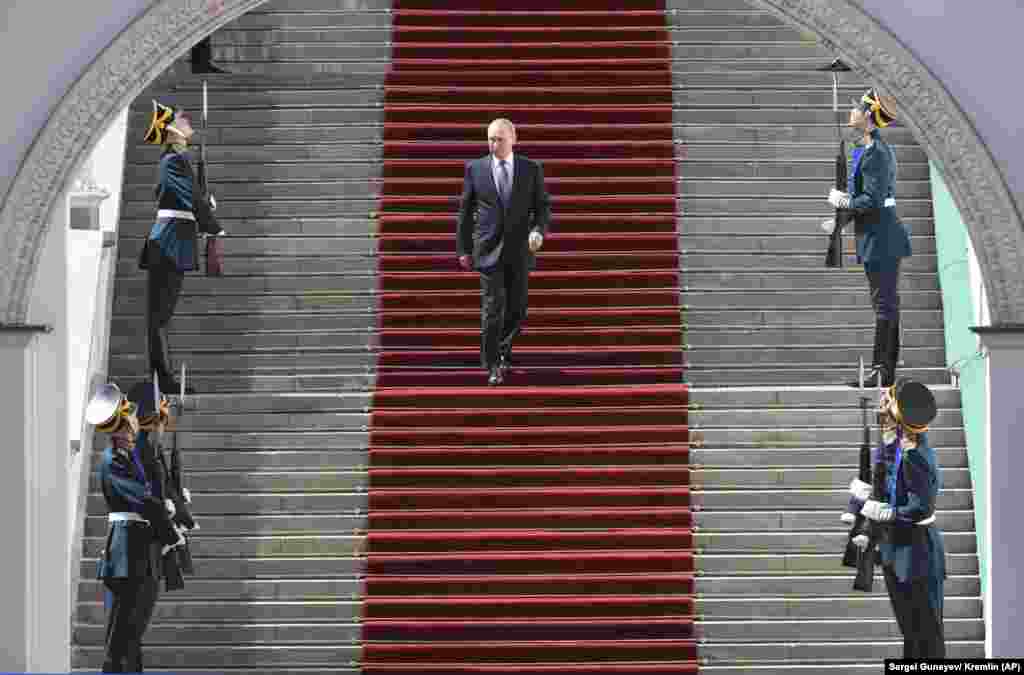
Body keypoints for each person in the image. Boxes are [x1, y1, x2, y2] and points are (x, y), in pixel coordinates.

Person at [87, 381, 183, 672]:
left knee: (133, 636)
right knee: (121, 640)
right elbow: (143, 500)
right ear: (117, 432)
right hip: (127, 555)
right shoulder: (113, 461)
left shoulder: (128, 458)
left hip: (140, 554)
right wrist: (171, 531)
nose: (133, 433)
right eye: (128, 429)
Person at [854, 378, 946, 658]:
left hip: (917, 555)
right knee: (911, 635)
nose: (883, 406)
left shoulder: (915, 456)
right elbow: (886, 489)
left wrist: (889, 513)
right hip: (897, 553)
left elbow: (922, 507)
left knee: (926, 638)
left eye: (888, 402)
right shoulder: (897, 451)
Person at [826, 88, 911, 388]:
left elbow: (872, 199)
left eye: (857, 108)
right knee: (884, 303)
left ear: (869, 119)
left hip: (883, 236)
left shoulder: (876, 152)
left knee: (885, 304)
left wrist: (845, 203)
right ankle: (884, 372)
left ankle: (881, 371)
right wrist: (839, 221)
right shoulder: (865, 149)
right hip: (874, 234)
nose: (852, 111)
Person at [456, 118, 551, 385]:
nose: (493, 144)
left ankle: (502, 350)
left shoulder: (531, 169)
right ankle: (492, 364)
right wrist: (463, 249)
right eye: (490, 139)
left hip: (520, 250)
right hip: (487, 251)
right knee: (493, 307)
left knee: (518, 308)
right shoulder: (475, 168)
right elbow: (465, 212)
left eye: (499, 139)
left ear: (513, 139)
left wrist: (538, 231)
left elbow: (542, 207)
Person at [141, 100, 225, 393]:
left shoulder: (176, 161)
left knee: (161, 316)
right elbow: (188, 197)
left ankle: (163, 377)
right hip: (170, 242)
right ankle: (163, 379)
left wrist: (203, 200)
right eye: (180, 119)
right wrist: (212, 224)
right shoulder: (172, 161)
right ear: (172, 131)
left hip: (173, 240)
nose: (186, 120)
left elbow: (188, 196)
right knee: (160, 317)